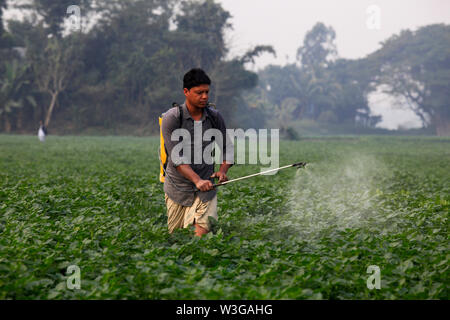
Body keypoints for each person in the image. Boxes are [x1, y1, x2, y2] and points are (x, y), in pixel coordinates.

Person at [161, 68, 234, 237]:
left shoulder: (215, 117)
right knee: (177, 237)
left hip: (206, 188)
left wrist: (222, 171)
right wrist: (196, 180)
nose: (204, 97)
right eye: (199, 92)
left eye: (207, 92)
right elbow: (176, 159)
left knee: (200, 235)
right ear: (186, 92)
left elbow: (227, 148)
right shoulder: (172, 118)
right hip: (178, 188)